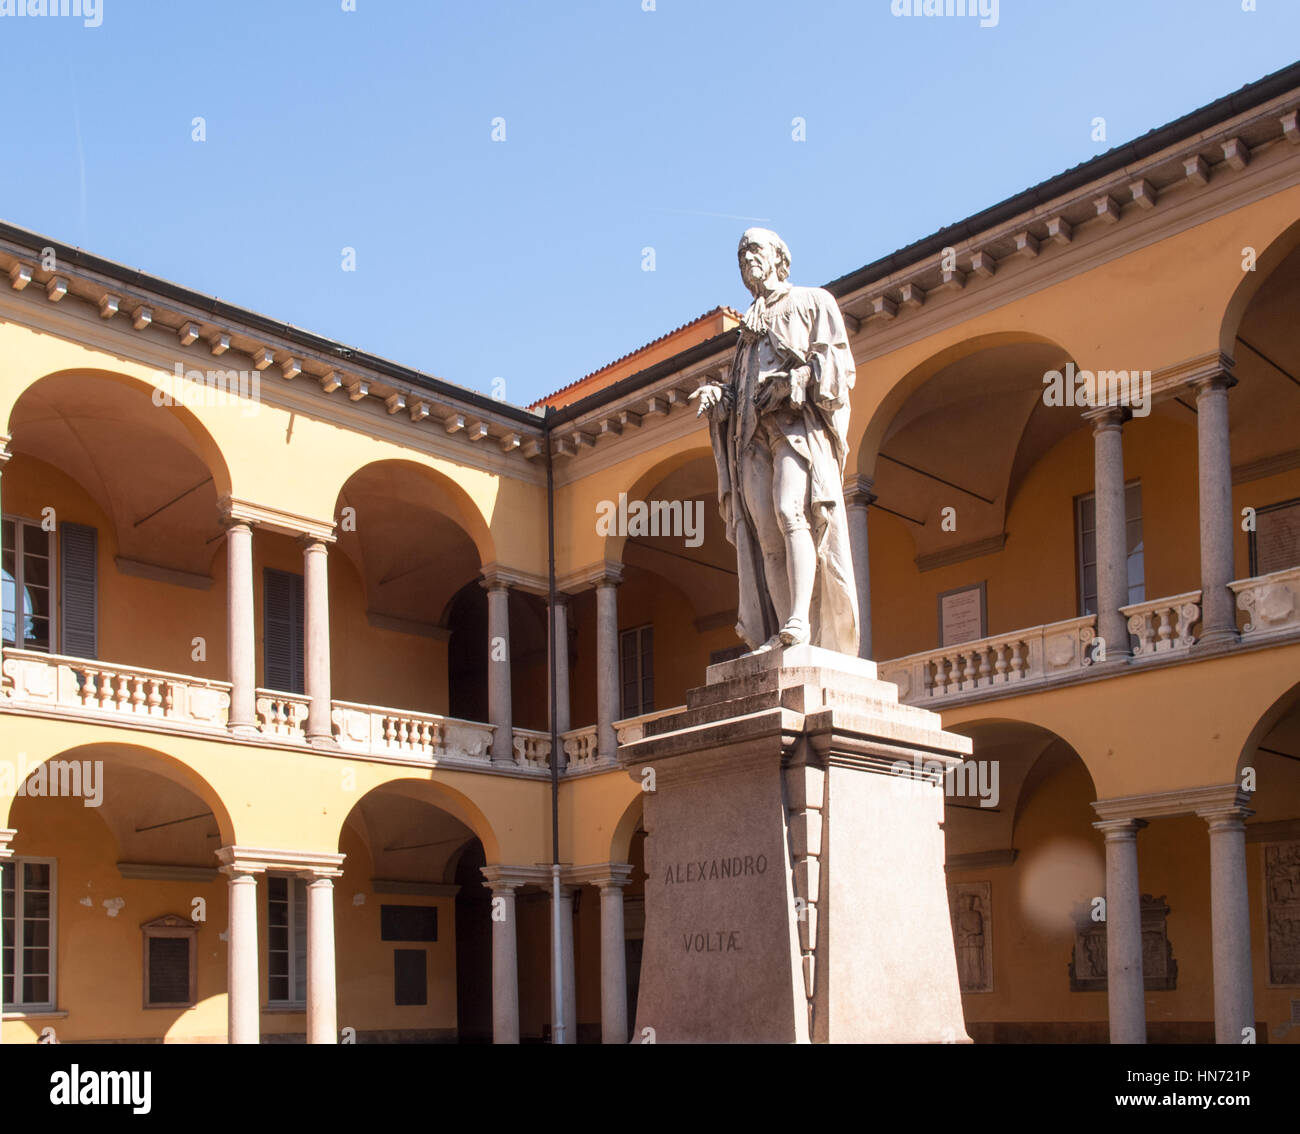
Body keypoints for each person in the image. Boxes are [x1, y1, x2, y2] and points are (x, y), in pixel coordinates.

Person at [691, 228, 858, 654]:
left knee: (790, 511)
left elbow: (839, 362)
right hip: (751, 436)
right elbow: (742, 387)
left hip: (795, 426)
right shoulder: (748, 327)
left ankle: (801, 621)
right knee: (766, 535)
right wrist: (720, 398)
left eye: (755, 249)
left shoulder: (812, 301)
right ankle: (783, 630)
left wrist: (796, 380)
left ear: (779, 256)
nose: (747, 257)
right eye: (741, 253)